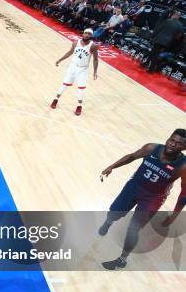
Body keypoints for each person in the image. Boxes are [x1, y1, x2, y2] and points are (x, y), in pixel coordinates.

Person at [99, 129, 186, 270]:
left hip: (153, 198)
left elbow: (184, 194)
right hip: (133, 187)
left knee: (134, 229)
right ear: (168, 138)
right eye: (172, 140)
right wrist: (112, 166)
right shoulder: (151, 148)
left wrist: (175, 215)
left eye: (179, 144)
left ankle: (122, 260)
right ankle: (108, 222)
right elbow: (132, 157)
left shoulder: (183, 166)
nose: (173, 144)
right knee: (114, 212)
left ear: (184, 147)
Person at [50, 28, 99, 116]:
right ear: (83, 34)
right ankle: (55, 99)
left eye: (89, 34)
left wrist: (95, 72)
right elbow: (70, 52)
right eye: (85, 33)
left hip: (83, 69)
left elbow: (95, 59)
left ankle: (79, 106)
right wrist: (60, 60)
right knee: (64, 84)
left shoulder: (93, 46)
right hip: (73, 67)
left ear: (91, 36)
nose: (87, 35)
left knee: (81, 88)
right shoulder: (76, 42)